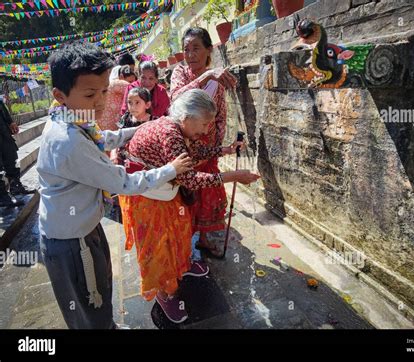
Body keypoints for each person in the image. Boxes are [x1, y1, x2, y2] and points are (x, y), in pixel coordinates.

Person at [37, 41, 193, 329]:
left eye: (104, 92)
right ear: (60, 95)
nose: (99, 101)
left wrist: (144, 126)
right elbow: (123, 181)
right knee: (88, 301)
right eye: (89, 94)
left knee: (99, 290)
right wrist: (170, 169)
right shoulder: (68, 142)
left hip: (82, 229)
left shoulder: (72, 117)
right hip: (72, 242)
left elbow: (106, 138)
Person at [119, 89, 260, 323]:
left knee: (179, 233)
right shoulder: (170, 134)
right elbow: (191, 179)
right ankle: (165, 293)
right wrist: (233, 176)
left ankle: (182, 266)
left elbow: (193, 152)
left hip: (164, 191)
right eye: (204, 124)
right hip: (148, 198)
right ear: (186, 118)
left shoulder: (177, 127)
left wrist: (223, 150)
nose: (206, 130)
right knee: (160, 246)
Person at [170, 27, 238, 256]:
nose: (190, 54)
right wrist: (204, 77)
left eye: (196, 48)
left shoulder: (217, 80)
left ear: (209, 50)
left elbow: (220, 115)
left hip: (206, 146)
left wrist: (216, 147)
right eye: (186, 49)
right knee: (186, 191)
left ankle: (206, 238)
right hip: (185, 145)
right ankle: (183, 242)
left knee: (208, 192)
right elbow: (176, 100)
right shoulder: (180, 72)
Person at [0, 98, 35, 208]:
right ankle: (2, 196)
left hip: (3, 131)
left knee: (11, 157)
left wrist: (10, 122)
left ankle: (15, 186)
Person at [111, 87, 153, 165]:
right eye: (130, 102)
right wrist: (113, 154)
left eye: (137, 102)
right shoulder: (125, 117)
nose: (133, 107)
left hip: (143, 164)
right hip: (124, 160)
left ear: (147, 105)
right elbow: (117, 136)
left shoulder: (153, 122)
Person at [99, 65, 137, 131]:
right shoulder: (118, 83)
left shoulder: (112, 84)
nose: (132, 84)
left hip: (106, 127)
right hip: (111, 127)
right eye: (130, 81)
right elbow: (136, 91)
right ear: (121, 76)